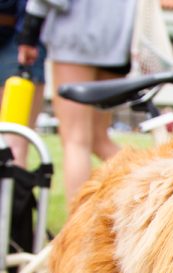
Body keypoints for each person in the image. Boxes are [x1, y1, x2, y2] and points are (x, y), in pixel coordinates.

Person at [17, 0, 137, 206]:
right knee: (100, 140)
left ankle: (78, 226)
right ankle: (154, 187)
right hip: (117, 40)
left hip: (76, 35)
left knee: (75, 140)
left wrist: (30, 30)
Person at [0, 0, 46, 167]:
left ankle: (12, 191)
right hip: (19, 37)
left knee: (13, 143)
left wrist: (27, 35)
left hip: (17, 40)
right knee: (13, 142)